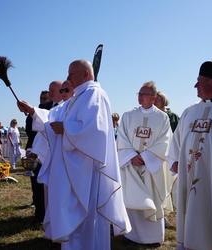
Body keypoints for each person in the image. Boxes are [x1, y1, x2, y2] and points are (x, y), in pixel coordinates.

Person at [18, 60, 131, 250]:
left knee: (87, 218)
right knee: (74, 217)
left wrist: (66, 129)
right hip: (73, 169)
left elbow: (96, 132)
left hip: (87, 171)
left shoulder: (95, 94)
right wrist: (32, 111)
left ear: (86, 74)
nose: (68, 78)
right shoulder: (78, 97)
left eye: (71, 74)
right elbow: (54, 116)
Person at [168, 56, 212, 250]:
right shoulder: (189, 112)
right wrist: (175, 161)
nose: (195, 85)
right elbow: (176, 141)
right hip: (189, 179)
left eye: (200, 80)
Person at [117, 81, 172, 247]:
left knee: (152, 199)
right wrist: (131, 156)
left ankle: (152, 237)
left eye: (144, 94)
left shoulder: (162, 117)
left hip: (151, 167)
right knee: (132, 198)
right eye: (139, 93)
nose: (140, 97)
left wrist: (147, 157)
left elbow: (165, 141)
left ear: (154, 98)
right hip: (131, 165)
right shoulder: (128, 116)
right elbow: (122, 137)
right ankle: (131, 235)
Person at [25, 83, 62, 223]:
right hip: (41, 154)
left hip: (55, 156)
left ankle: (50, 217)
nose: (50, 94)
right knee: (39, 187)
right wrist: (33, 150)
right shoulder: (46, 108)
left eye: (52, 91)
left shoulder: (66, 107)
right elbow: (36, 131)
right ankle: (41, 214)